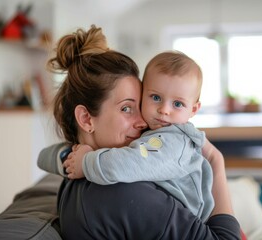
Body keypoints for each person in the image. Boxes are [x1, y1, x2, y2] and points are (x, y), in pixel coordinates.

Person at [38, 25, 240, 239]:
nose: (143, 121)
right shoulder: (123, 192)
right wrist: (216, 162)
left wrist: (71, 158)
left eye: (138, 106)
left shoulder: (74, 175)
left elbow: (47, 157)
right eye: (127, 108)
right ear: (86, 119)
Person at [63, 50, 216, 222]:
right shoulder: (154, 132)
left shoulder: (174, 141)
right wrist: (62, 157)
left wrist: (85, 162)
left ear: (194, 109)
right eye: (155, 97)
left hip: (195, 221)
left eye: (178, 103)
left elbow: (129, 162)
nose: (164, 110)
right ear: (85, 119)